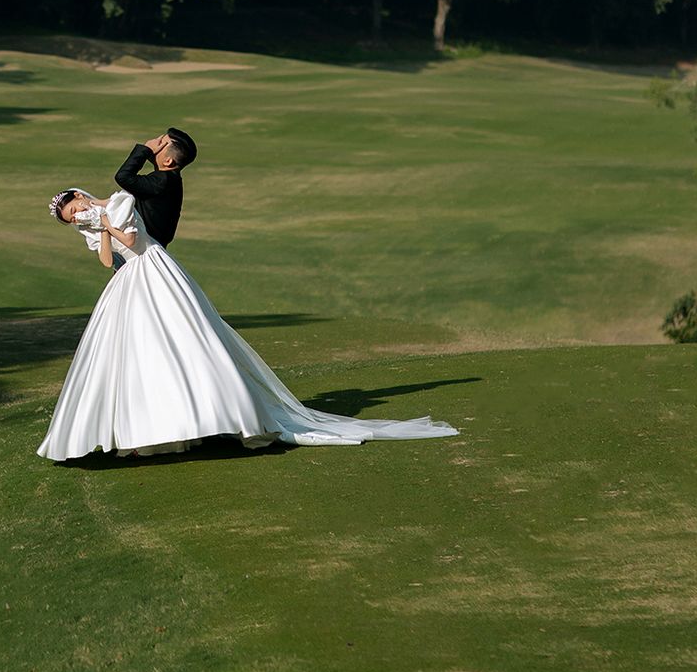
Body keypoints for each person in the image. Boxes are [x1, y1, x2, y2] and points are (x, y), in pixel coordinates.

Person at [37, 154, 458, 461]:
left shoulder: (118, 202)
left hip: (155, 269)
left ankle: (229, 415)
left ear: (81, 196)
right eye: (70, 217)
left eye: (74, 208)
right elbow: (108, 260)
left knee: (190, 338)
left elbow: (133, 240)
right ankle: (160, 426)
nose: (76, 215)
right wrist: (98, 232)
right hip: (130, 281)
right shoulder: (92, 227)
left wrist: (105, 222)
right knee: (142, 352)